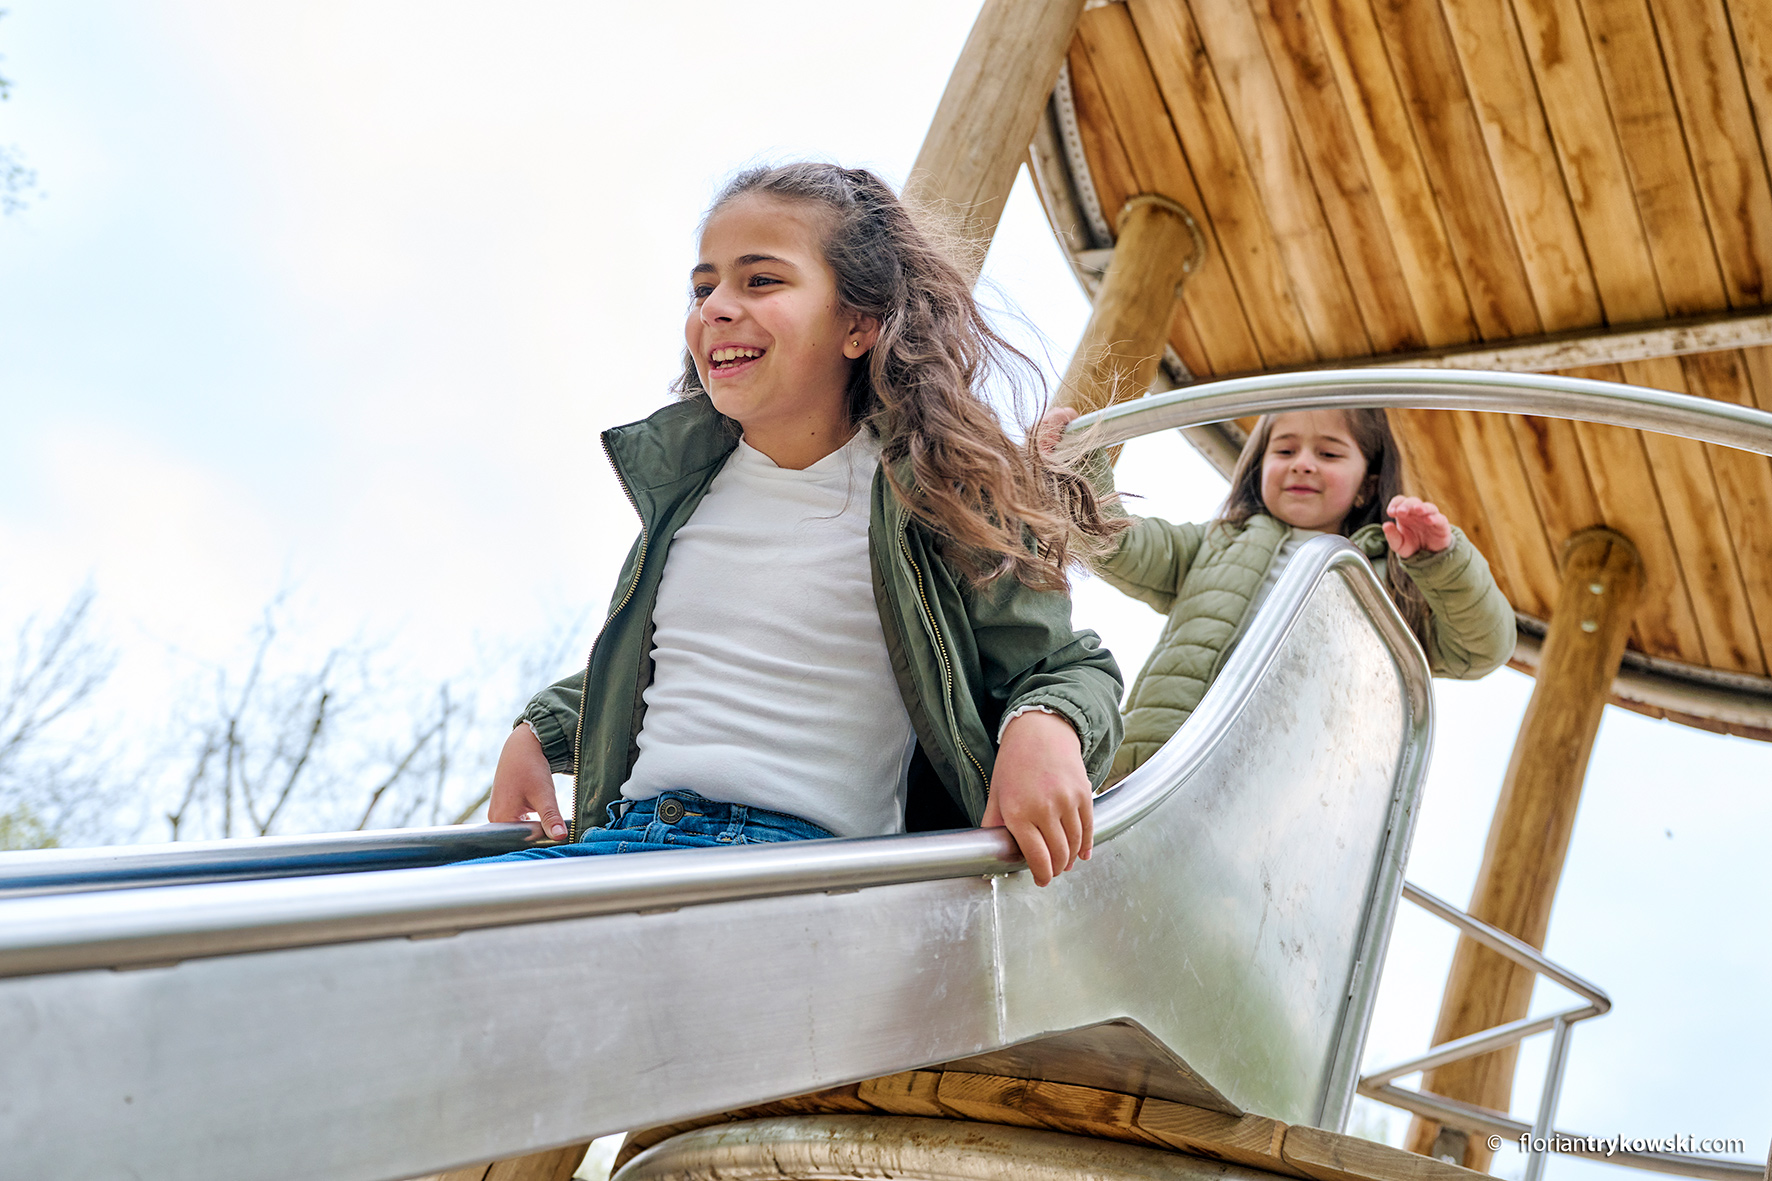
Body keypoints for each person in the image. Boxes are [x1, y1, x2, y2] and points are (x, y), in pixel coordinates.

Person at [484, 164, 1127, 886]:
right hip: (635, 836)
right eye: (704, 287)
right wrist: (540, 729)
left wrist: (1045, 723)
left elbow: (1063, 665)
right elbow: (688, 657)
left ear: (858, 323)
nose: (717, 307)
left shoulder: (930, 493)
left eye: (761, 281)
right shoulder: (691, 493)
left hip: (791, 864)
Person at [1039, 404, 1514, 783]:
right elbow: (1119, 543)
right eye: (1285, 451)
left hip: (1286, 794)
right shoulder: (1216, 543)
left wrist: (1442, 563)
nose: (1303, 464)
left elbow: (1482, 647)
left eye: (1328, 454)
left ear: (1368, 485)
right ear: (1261, 464)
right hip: (1160, 767)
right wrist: (1075, 468)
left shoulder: (1386, 584)